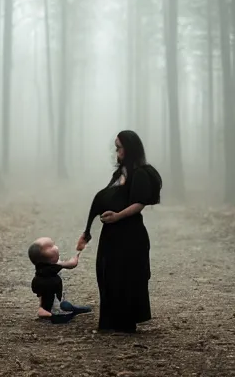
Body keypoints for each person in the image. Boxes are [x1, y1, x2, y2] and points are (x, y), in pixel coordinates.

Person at [76, 130, 163, 334]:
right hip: (112, 235)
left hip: (130, 235)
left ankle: (125, 323)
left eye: (119, 147)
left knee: (125, 277)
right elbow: (107, 197)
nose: (117, 151)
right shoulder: (120, 173)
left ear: (130, 149)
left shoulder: (140, 173)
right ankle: (110, 321)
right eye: (116, 147)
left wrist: (117, 216)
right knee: (107, 274)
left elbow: (139, 203)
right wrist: (88, 231)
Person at [28, 237, 91, 324]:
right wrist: (77, 254)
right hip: (50, 285)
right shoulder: (54, 265)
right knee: (52, 299)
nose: (56, 247)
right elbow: (72, 264)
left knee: (45, 297)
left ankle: (43, 308)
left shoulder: (40, 265)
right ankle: (52, 313)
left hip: (38, 282)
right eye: (51, 246)